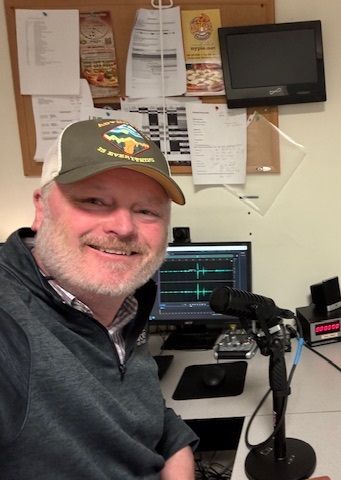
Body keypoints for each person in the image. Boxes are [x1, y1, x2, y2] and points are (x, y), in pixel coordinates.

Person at [0, 119, 198, 479]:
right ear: (42, 208)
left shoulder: (125, 305)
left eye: (146, 210)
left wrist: (178, 455)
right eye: (94, 200)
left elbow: (154, 421)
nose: (123, 228)